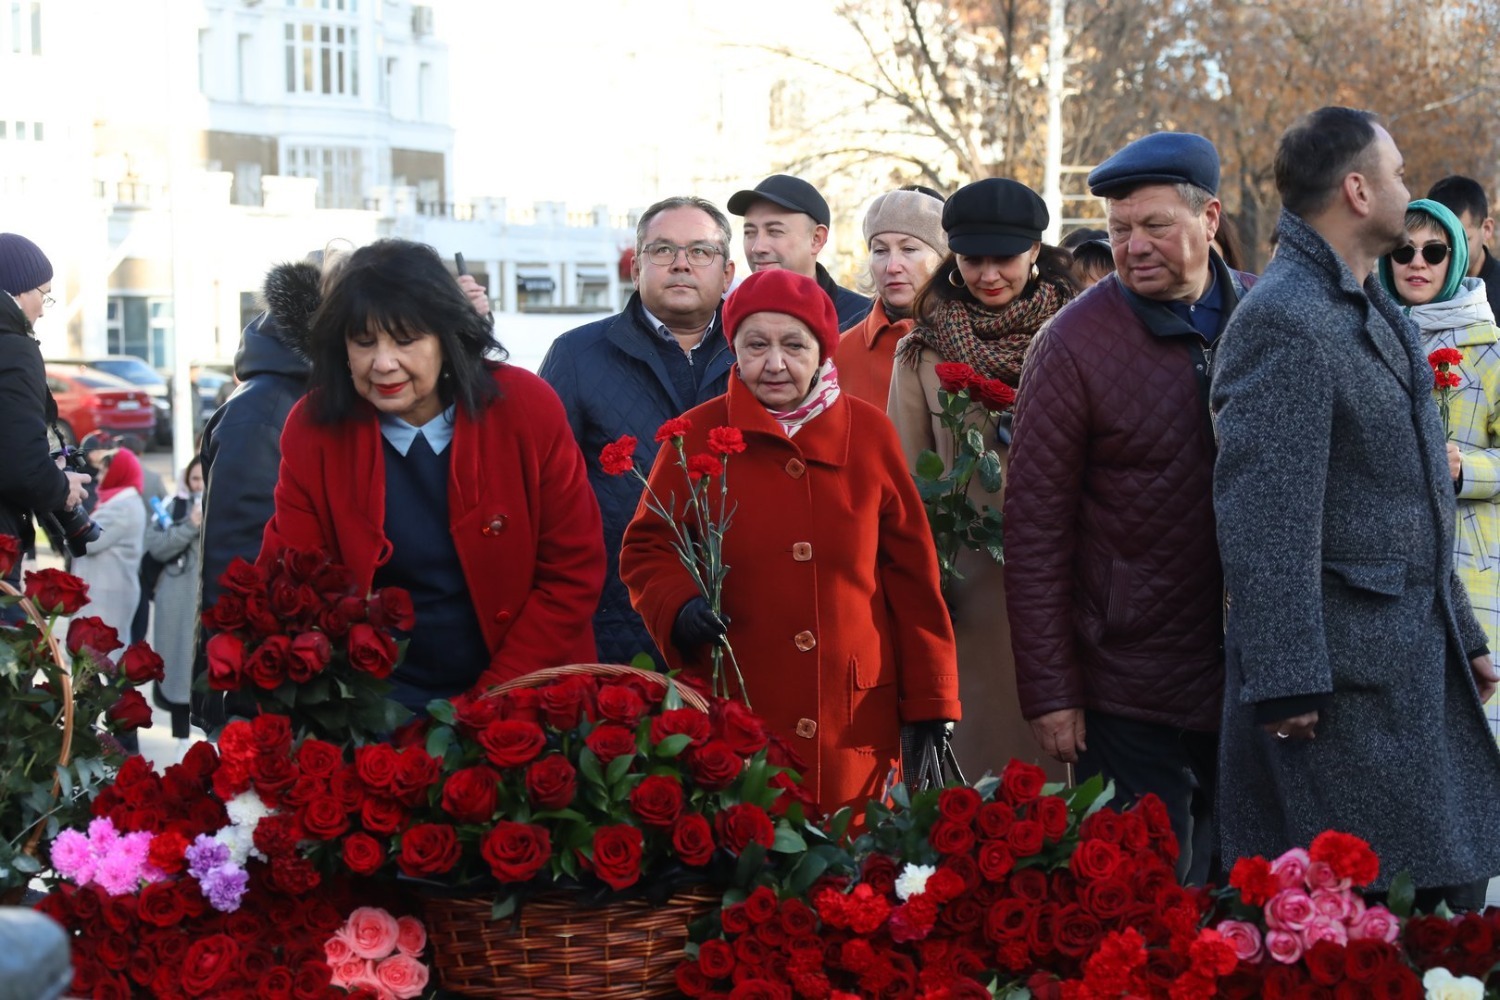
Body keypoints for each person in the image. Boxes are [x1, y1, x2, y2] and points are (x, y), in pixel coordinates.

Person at [1212, 106, 1500, 910]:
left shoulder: (1365, 306)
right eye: (1398, 174)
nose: (1410, 190)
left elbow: (1414, 497)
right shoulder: (1286, 319)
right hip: (1340, 692)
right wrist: (1286, 681)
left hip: (1405, 666)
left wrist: (1466, 635)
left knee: (1443, 901)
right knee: (1363, 918)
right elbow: (1266, 519)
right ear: (1358, 190)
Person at [1005, 132, 1256, 884]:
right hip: (1129, 679)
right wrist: (1052, 694)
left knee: (1258, 895)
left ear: (1210, 218)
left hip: (1259, 670)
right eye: (1118, 230)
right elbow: (1035, 532)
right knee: (1139, 896)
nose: (1133, 246)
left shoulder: (1269, 317)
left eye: (1154, 226)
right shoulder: (1071, 346)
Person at [620, 268, 959, 815]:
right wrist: (679, 605)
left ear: (823, 351)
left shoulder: (869, 433)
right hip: (741, 702)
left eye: (794, 345)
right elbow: (648, 547)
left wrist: (932, 695)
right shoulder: (697, 435)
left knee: (854, 853)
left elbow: (912, 575)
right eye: (756, 345)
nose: (775, 363)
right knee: (750, 843)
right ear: (734, 349)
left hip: (853, 714)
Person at [257, 239, 605, 710]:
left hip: (524, 688)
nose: (383, 363)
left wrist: (491, 698)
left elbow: (572, 572)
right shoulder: (313, 426)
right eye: (363, 342)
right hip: (373, 704)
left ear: (447, 336)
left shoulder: (528, 407)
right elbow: (290, 573)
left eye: (405, 340)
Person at [887, 178, 1076, 783]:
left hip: (1072, 572)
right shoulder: (922, 351)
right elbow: (906, 480)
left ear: (1035, 252)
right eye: (973, 260)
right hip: (970, 585)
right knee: (982, 766)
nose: (988, 274)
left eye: (1005, 258)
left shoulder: (1081, 332)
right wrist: (926, 584)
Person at [539, 196, 737, 666]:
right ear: (636, 267)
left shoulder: (759, 354)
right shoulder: (577, 355)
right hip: (617, 619)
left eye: (700, 251)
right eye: (663, 250)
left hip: (739, 616)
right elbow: (541, 492)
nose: (681, 264)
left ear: (727, 273)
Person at [1377, 198, 1500, 743]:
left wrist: (1465, 469)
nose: (1417, 263)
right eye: (1403, 251)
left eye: (1433, 251)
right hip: (1388, 564)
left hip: (1472, 562)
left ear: (1455, 258)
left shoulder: (1488, 347)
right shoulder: (1368, 336)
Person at [0, 234, 90, 595]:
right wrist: (62, 487)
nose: (42, 309)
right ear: (19, 289)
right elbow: (21, 465)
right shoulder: (14, 348)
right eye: (44, 294)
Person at [836, 189, 948, 408]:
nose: (892, 266)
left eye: (909, 249)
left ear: (943, 260)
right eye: (880, 251)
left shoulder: (975, 344)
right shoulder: (839, 353)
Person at [728, 174, 872, 330]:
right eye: (750, 233)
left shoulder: (863, 321)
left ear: (816, 239)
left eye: (774, 231)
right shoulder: (730, 318)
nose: (758, 247)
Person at [145, 457, 203, 750]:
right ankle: (181, 739)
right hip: (176, 606)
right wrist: (190, 525)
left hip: (209, 605)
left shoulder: (227, 508)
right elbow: (156, 547)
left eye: (205, 479)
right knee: (178, 669)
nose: (200, 486)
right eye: (195, 479)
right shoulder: (173, 508)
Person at [72, 447, 147, 646]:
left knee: (100, 653)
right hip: (105, 591)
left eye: (105, 471)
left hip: (108, 593)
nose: (99, 477)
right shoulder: (118, 503)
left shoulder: (123, 507)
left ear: (119, 473)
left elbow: (89, 542)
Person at [1427, 175, 1500, 322]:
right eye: (1440, 244)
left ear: (1486, 229)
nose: (1451, 252)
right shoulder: (1419, 287)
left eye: (1462, 240)